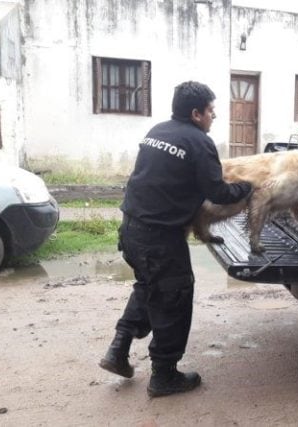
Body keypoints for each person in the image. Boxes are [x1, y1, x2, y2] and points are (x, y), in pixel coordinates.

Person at [99, 81, 252, 398]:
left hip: (131, 229)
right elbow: (218, 192)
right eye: (211, 110)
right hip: (160, 238)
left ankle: (118, 349)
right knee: (174, 297)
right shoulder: (199, 142)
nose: (214, 116)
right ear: (196, 113)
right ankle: (165, 375)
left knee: (149, 285)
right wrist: (248, 187)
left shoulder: (158, 131)